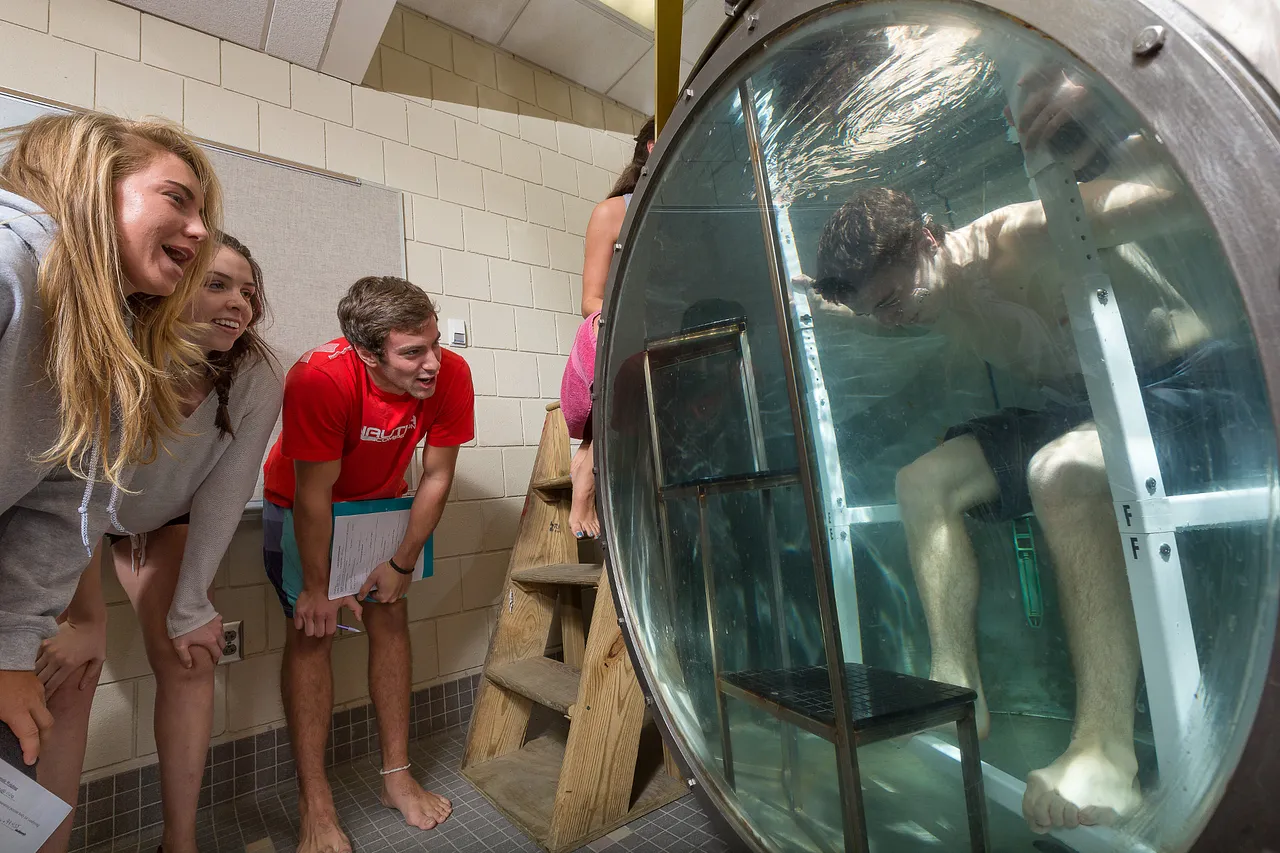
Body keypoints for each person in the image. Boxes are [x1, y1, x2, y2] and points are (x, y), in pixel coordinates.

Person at [808, 152, 1220, 832]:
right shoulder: (919, 292)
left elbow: (1171, 193)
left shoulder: (1016, 237)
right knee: (923, 483)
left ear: (929, 239)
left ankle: (1107, 752)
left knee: (1060, 470)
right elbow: (864, 310)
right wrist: (824, 297)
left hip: (1184, 383)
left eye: (889, 301)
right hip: (1089, 409)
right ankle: (957, 690)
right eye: (872, 311)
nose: (889, 322)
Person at [34, 234, 282, 853]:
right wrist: (87, 618)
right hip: (69, 512)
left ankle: (181, 843)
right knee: (72, 670)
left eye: (249, 292)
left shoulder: (255, 373)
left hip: (164, 517)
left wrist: (192, 603)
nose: (239, 304)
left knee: (192, 654)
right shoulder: (111, 347)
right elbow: (72, 488)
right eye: (218, 284)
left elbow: (226, 493)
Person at [0, 113, 221, 773]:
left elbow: (61, 509)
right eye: (176, 198)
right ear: (92, 184)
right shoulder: (9, 266)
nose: (202, 231)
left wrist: (10, 649)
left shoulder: (109, 344)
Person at [261, 276, 473, 853]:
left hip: (380, 505)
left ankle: (396, 778)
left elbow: (437, 475)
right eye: (413, 352)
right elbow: (313, 493)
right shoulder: (320, 376)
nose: (433, 363)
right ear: (366, 352)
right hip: (306, 505)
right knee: (314, 633)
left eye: (433, 342)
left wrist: (402, 564)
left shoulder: (448, 373)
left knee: (390, 619)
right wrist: (319, 588)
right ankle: (317, 803)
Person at [564, 117, 655, 538]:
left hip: (674, 331)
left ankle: (592, 456)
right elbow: (590, 300)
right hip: (618, 327)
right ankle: (589, 462)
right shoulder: (612, 212)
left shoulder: (690, 212)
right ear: (653, 148)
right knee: (612, 329)